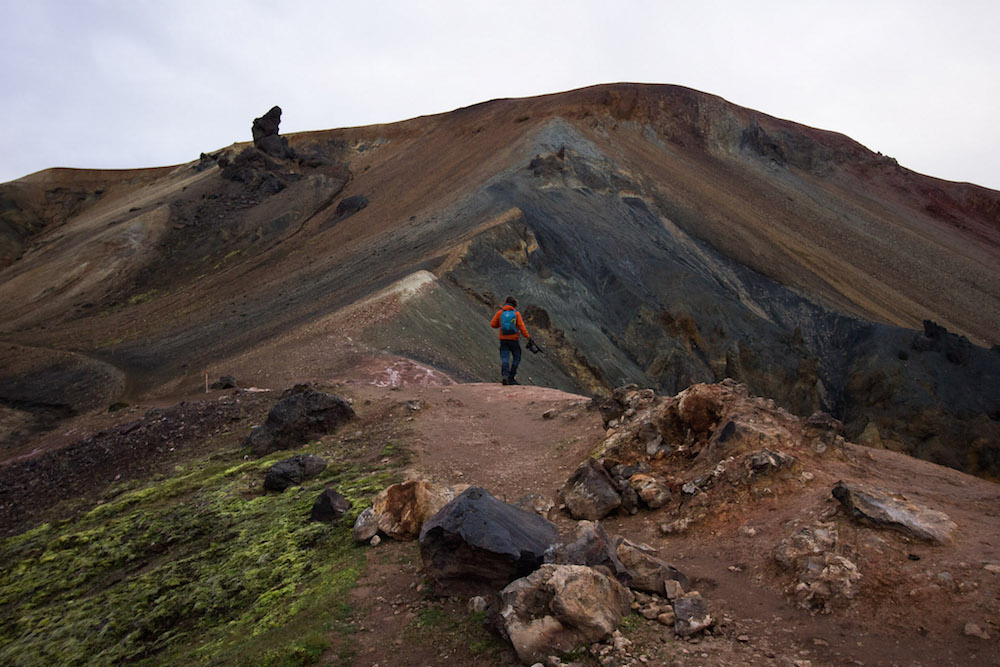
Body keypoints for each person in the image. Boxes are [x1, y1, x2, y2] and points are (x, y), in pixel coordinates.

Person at [490, 296, 531, 385]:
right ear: (514, 304)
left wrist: (501, 326)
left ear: (506, 302)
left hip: (503, 339)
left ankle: (505, 375)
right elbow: (522, 327)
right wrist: (528, 338)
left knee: (505, 358)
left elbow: (493, 324)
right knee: (517, 357)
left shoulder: (500, 313)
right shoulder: (516, 314)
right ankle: (511, 377)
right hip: (514, 340)